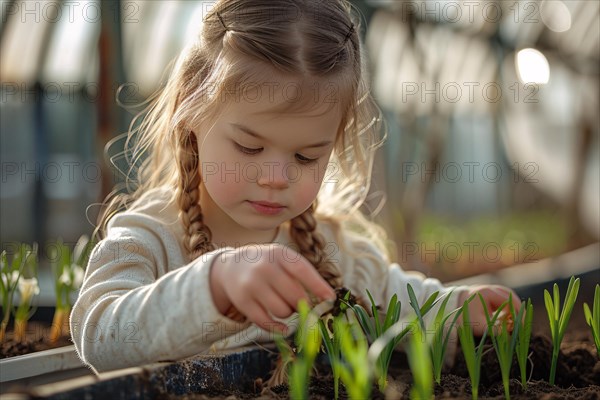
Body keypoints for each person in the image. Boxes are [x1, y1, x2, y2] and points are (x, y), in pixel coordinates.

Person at [70, 0, 521, 374]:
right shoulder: (150, 239)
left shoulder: (334, 252)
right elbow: (100, 333)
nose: (276, 177)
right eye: (249, 147)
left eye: (306, 158)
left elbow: (400, 301)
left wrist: (453, 309)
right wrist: (214, 285)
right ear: (190, 116)